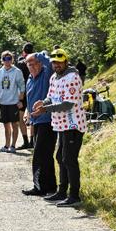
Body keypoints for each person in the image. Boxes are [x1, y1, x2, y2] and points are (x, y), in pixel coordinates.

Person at [32, 48, 87, 207]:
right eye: (54, 62)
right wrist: (43, 102)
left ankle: (74, 195)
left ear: (66, 61)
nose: (56, 65)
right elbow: (51, 96)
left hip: (73, 124)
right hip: (61, 125)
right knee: (60, 157)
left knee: (69, 159)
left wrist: (45, 109)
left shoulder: (73, 77)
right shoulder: (54, 77)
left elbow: (67, 104)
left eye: (59, 62)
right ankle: (62, 191)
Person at [21, 52, 57, 196]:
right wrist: (27, 113)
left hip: (47, 120)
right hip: (36, 121)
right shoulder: (29, 79)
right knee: (45, 155)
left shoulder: (46, 73)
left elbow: (48, 61)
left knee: (39, 155)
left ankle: (40, 187)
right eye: (30, 64)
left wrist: (37, 55)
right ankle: (50, 186)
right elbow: (30, 99)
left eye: (36, 63)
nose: (34, 66)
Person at [0, 51, 26, 154]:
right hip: (3, 102)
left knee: (14, 124)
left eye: (9, 59)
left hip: (13, 102)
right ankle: (6, 145)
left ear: (12, 60)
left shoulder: (17, 71)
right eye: (4, 59)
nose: (7, 61)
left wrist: (20, 100)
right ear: (2, 60)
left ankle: (13, 146)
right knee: (5, 125)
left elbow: (22, 87)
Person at [15, 43, 34, 149]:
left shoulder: (21, 63)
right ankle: (32, 141)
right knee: (33, 117)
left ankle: (26, 141)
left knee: (20, 118)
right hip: (33, 92)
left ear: (23, 52)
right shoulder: (37, 61)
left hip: (23, 94)